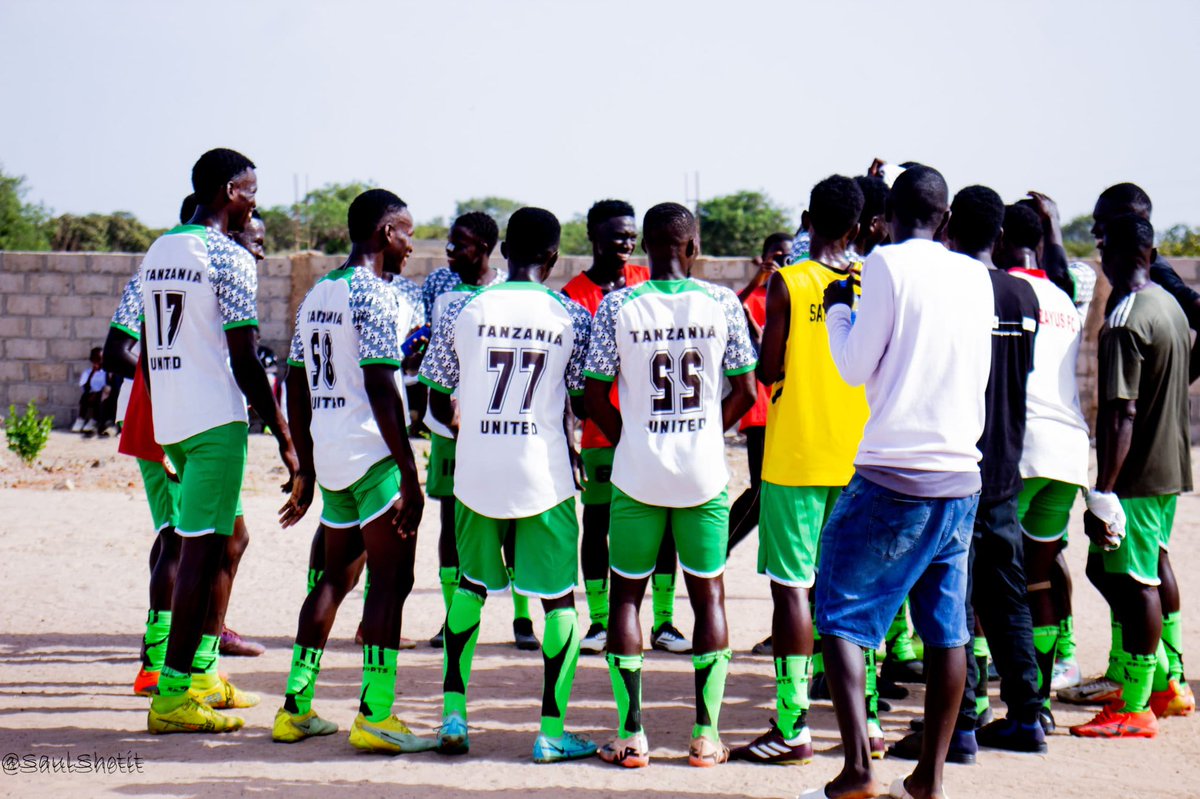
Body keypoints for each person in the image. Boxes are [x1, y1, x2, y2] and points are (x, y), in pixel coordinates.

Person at [806, 166, 993, 799]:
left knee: (838, 614)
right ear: (944, 218)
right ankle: (929, 779)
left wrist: (837, 312)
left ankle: (859, 769)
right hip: (959, 478)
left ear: (884, 219)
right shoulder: (975, 274)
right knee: (947, 630)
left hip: (895, 475)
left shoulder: (883, 264)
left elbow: (855, 367)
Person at [420, 207, 597, 763]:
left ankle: (453, 716)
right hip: (541, 475)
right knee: (558, 600)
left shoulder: (465, 310)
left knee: (470, 589)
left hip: (476, 474)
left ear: (502, 253)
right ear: (553, 256)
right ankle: (549, 731)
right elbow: (582, 400)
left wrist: (474, 426)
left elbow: (433, 397)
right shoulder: (570, 314)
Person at [585, 202, 757, 768]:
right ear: (691, 248)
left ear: (648, 247)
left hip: (638, 473)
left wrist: (632, 435)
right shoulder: (722, 302)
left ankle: (632, 734)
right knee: (707, 594)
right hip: (703, 473)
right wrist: (708, 430)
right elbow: (747, 392)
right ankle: (706, 736)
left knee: (628, 595)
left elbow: (591, 395)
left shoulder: (618, 304)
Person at [142, 148, 296, 735]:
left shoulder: (161, 248)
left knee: (229, 538)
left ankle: (202, 674)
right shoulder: (228, 256)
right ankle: (173, 694)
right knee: (200, 554)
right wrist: (284, 435)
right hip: (214, 422)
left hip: (175, 421)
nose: (256, 199)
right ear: (232, 191)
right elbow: (245, 355)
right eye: (251, 190)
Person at [274, 189, 433, 752]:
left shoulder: (318, 294)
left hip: (335, 458)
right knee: (388, 583)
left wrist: (308, 466)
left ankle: (295, 707)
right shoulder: (375, 295)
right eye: (408, 232)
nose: (412, 244)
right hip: (373, 456)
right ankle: (377, 715)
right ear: (387, 231)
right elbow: (381, 384)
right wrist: (409, 476)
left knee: (332, 580)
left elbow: (294, 381)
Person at [890, 186, 1044, 766]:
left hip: (957, 462)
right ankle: (1028, 716)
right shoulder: (1021, 293)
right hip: (1007, 462)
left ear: (949, 226)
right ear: (1002, 233)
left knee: (952, 600)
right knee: (1008, 596)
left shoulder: (955, 288)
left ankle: (959, 729)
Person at [729, 177, 867, 765]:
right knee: (860, 590)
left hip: (796, 455)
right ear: (859, 228)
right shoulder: (873, 282)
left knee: (793, 588)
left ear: (807, 219)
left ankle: (792, 724)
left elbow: (767, 369)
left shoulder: (787, 281)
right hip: (861, 457)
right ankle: (871, 725)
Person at [1061, 184, 1195, 710]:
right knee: (1139, 569)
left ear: (1108, 255)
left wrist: (1104, 490)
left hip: (1135, 472)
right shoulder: (1170, 307)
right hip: (1169, 463)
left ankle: (1140, 701)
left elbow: (1121, 411)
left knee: (1135, 579)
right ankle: (1166, 676)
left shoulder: (1125, 317)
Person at [562, 199, 691, 657]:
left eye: (631, 235)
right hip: (601, 433)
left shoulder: (646, 284)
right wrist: (569, 440)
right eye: (617, 234)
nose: (627, 242)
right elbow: (570, 380)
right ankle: (599, 622)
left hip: (654, 434)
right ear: (594, 237)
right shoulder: (574, 294)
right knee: (596, 525)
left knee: (665, 528)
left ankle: (663, 622)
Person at [419, 212, 538, 651]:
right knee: (451, 523)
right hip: (448, 429)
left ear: (486, 249)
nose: (450, 252)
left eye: (460, 245)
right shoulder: (441, 292)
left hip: (498, 429)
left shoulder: (506, 293)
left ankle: (522, 618)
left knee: (514, 520)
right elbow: (435, 356)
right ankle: (452, 616)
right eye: (450, 244)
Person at [995, 202, 1092, 728]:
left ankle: (983, 705)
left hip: (1020, 448)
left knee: (984, 579)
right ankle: (1041, 708)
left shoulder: (1001, 290)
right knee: (1038, 578)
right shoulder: (1063, 296)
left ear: (1002, 235)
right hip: (1069, 451)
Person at [726, 231, 792, 559]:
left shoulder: (793, 294)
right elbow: (731, 308)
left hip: (791, 407)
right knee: (760, 491)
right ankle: (716, 550)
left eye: (788, 257)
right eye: (776, 256)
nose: (782, 262)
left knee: (778, 492)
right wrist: (758, 279)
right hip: (761, 408)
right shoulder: (753, 298)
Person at [73, 347, 108, 435]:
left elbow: (107, 385)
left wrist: (97, 394)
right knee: (85, 396)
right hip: (90, 393)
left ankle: (93, 421)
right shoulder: (88, 372)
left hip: (102, 395)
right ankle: (80, 419)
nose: (98, 362)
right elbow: (85, 386)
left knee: (98, 397)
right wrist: (92, 373)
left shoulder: (106, 372)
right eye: (96, 360)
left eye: (100, 359)